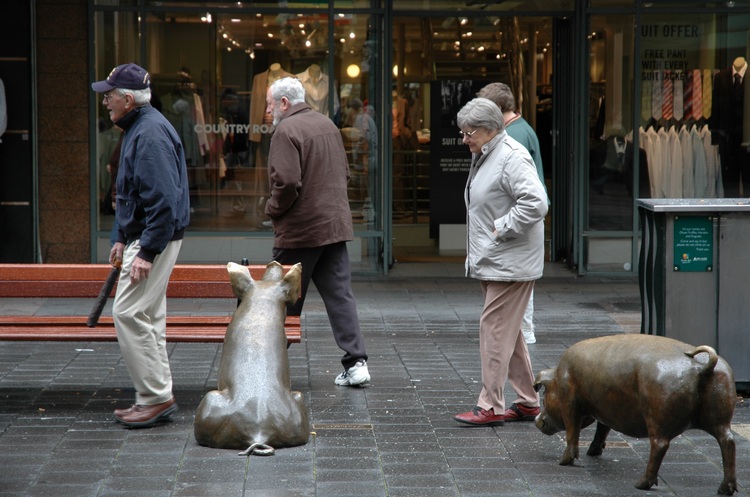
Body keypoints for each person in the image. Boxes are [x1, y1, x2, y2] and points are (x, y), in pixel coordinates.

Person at [91, 63, 191, 427]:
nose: (105, 101)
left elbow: (162, 201)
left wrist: (146, 250)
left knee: (128, 313)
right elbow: (130, 193)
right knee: (147, 316)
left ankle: (155, 397)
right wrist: (121, 236)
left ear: (128, 99)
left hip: (153, 239)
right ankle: (155, 395)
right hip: (149, 236)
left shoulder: (147, 135)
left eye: (110, 95)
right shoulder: (142, 127)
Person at [264, 77, 370, 387]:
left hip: (300, 230)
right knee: (340, 296)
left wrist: (272, 208)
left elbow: (285, 182)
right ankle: (356, 362)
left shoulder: (285, 130)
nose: (268, 110)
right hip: (334, 226)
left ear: (285, 103)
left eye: (270, 104)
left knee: (279, 300)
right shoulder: (328, 125)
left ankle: (265, 363)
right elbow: (345, 173)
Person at [452, 97, 548, 426]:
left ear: (491, 130)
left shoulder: (510, 156)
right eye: (462, 132)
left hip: (510, 261)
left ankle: (490, 405)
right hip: (498, 258)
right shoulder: (487, 153)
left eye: (469, 133)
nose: (464, 139)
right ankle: (528, 401)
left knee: (493, 328)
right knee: (509, 332)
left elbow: (536, 203)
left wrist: (500, 230)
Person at [477, 82, 547, 345]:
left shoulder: (513, 138)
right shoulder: (521, 129)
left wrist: (501, 227)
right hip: (515, 222)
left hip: (515, 224)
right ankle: (520, 335)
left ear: (496, 110)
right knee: (520, 286)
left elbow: (531, 199)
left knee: (518, 284)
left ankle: (522, 335)